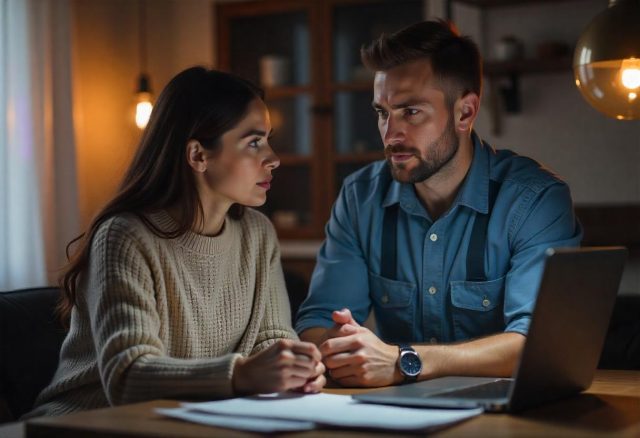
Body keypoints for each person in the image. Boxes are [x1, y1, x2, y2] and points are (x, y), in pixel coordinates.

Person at [25, 67, 325, 418]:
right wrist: (242, 374)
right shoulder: (124, 236)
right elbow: (127, 377)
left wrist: (295, 367)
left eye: (268, 140)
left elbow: (271, 340)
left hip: (191, 420)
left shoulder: (258, 234)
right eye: (254, 142)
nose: (273, 159)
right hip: (84, 422)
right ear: (198, 155)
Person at [296, 20, 582, 387]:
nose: (390, 134)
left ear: (465, 112)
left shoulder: (535, 200)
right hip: (394, 411)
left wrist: (405, 361)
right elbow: (317, 323)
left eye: (411, 112)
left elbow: (539, 344)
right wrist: (345, 348)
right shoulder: (359, 197)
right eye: (383, 113)